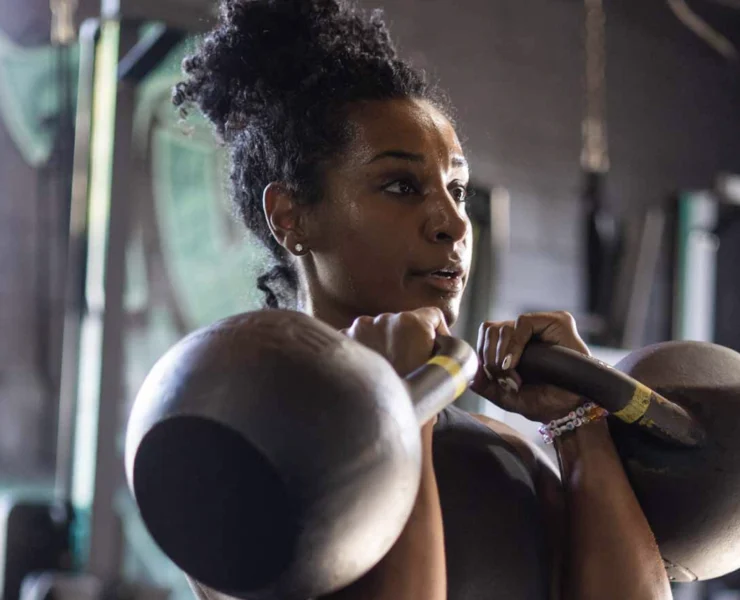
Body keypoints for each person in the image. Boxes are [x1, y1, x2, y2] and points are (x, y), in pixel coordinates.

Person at [174, 1, 672, 598]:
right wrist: (399, 402)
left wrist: (579, 423)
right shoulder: (242, 454)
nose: (454, 225)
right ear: (291, 216)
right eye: (401, 185)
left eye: (457, 189)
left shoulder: (509, 459)